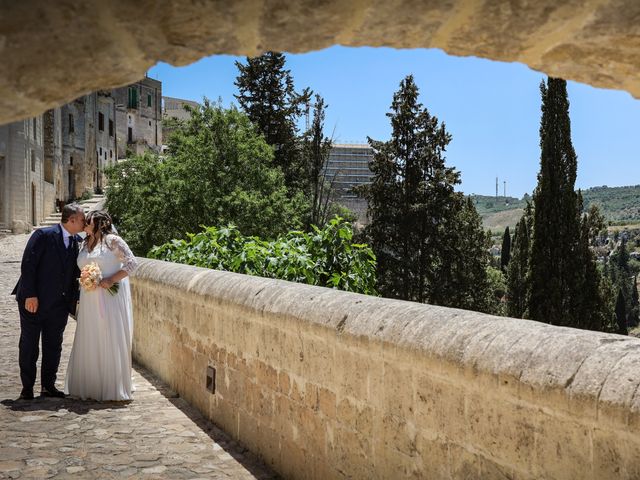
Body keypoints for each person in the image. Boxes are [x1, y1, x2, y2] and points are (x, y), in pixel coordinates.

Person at [12, 203, 86, 400]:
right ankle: (27, 387)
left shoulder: (76, 242)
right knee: (29, 345)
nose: (84, 222)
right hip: (33, 301)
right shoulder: (43, 235)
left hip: (59, 305)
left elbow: (74, 273)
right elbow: (28, 265)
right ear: (71, 220)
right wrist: (30, 295)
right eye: (82, 219)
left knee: (54, 345)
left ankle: (48, 386)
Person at [65, 210, 138, 401]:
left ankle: (110, 385)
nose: (84, 224)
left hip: (109, 297)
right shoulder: (84, 242)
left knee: (108, 334)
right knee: (90, 335)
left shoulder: (112, 241)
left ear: (97, 223)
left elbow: (132, 264)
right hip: (89, 298)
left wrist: (111, 279)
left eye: (87, 221)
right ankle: (90, 385)